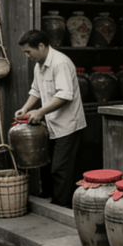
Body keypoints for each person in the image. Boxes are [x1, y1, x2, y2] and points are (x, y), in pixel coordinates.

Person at [15, 29, 86, 209]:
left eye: (28, 52)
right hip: (52, 123)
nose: (27, 56)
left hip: (68, 124)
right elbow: (36, 90)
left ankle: (61, 207)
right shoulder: (39, 64)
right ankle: (52, 201)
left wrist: (40, 112)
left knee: (60, 168)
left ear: (41, 46)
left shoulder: (60, 63)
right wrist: (25, 108)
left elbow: (65, 95)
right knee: (47, 166)